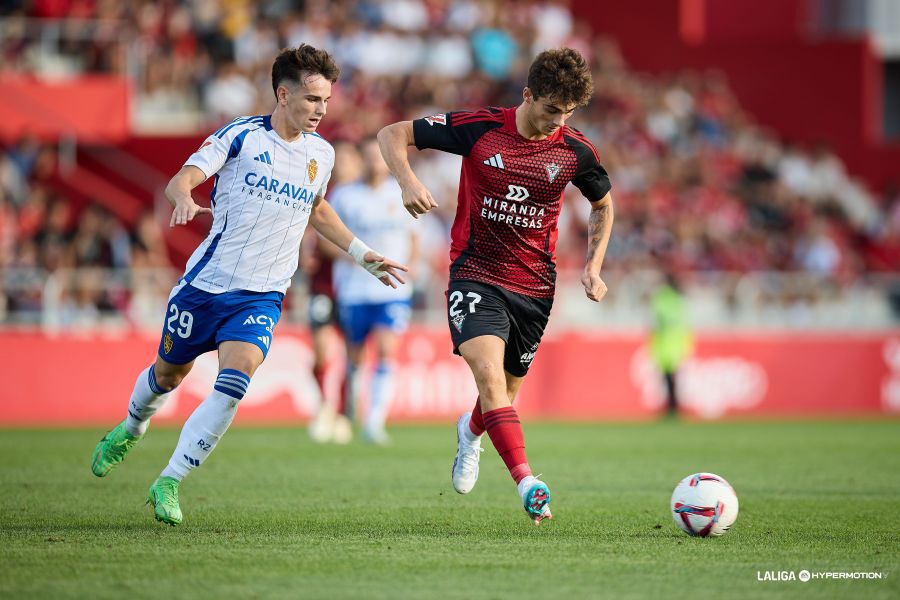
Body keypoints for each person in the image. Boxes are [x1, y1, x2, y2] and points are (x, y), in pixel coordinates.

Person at [90, 45, 408, 526]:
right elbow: (183, 178)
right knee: (166, 377)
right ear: (283, 94)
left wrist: (362, 255)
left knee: (235, 381)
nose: (321, 110)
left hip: (261, 295)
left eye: (326, 100)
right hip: (205, 286)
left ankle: (171, 480)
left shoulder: (321, 153)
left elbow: (317, 209)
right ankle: (133, 426)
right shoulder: (240, 136)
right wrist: (182, 196)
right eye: (311, 100)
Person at [377, 47, 614, 525]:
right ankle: (529, 482)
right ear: (528, 95)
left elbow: (604, 205)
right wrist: (406, 181)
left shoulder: (575, 151)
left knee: (503, 394)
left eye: (568, 113)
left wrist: (593, 267)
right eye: (551, 109)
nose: (558, 121)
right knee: (487, 378)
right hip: (475, 273)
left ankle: (470, 432)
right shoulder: (481, 127)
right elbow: (392, 133)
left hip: (535, 288)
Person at [329, 138, 417, 445]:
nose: (373, 163)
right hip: (353, 288)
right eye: (367, 157)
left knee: (385, 350)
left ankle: (375, 421)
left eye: (378, 157)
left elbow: (414, 236)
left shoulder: (402, 192)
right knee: (354, 355)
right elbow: (328, 240)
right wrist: (356, 259)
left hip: (392, 290)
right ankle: (349, 411)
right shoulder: (344, 195)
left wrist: (412, 265)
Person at [650, 269, 694, 417]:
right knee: (673, 378)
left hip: (666, 344)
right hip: (678, 343)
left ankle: (672, 407)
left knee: (668, 378)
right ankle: (673, 406)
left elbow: (660, 318)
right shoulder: (678, 298)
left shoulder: (663, 297)